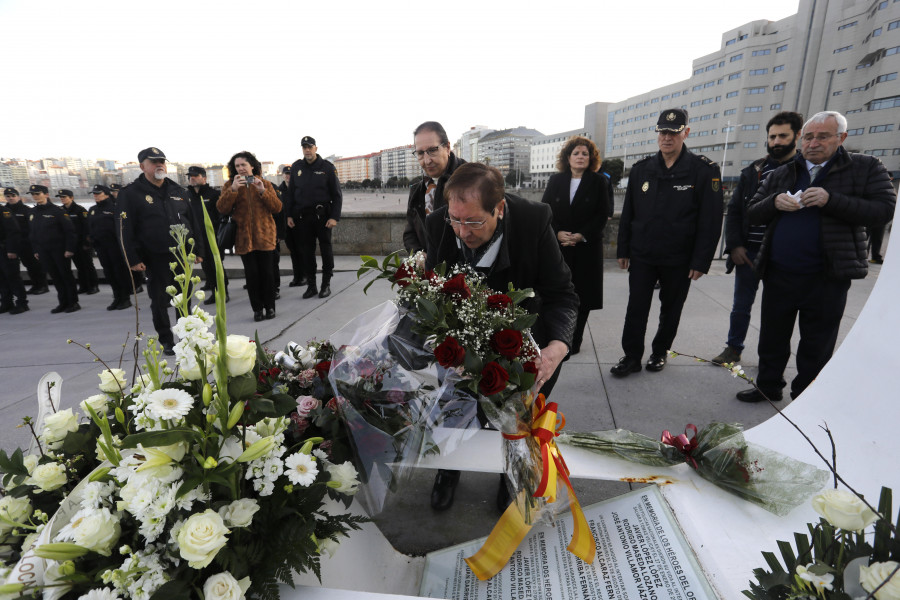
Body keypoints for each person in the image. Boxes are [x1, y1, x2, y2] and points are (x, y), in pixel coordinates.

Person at [424, 162, 579, 511]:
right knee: (453, 412)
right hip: (461, 345)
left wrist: (558, 346)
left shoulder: (533, 220)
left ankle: (508, 475)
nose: (462, 232)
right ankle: (449, 468)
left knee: (515, 421)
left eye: (474, 221)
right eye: (456, 219)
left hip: (523, 346)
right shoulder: (439, 225)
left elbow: (562, 294)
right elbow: (434, 294)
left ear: (500, 208)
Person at [737, 111, 896, 402]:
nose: (813, 143)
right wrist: (774, 202)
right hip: (779, 272)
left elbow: (884, 210)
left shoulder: (864, 167)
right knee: (772, 338)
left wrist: (831, 200)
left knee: (817, 343)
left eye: (823, 136)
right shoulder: (784, 171)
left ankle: (805, 397)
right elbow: (753, 211)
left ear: (841, 138)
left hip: (827, 276)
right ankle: (768, 386)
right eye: (809, 136)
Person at [612, 108, 723, 377]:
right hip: (643, 254)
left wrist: (701, 261)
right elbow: (629, 213)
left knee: (671, 309)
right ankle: (631, 357)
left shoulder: (703, 170)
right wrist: (623, 248)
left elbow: (710, 220)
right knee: (636, 308)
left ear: (686, 133)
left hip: (679, 258)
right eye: (662, 132)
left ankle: (660, 352)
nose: (667, 137)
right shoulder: (642, 170)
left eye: (673, 132)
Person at [712, 111, 804, 366]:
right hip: (749, 251)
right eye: (772, 136)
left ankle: (770, 360)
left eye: (782, 136)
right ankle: (733, 348)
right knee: (740, 306)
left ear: (797, 136)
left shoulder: (804, 171)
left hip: (782, 253)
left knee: (778, 311)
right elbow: (736, 211)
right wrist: (735, 246)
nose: (776, 141)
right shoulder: (754, 171)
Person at [118, 147, 204, 355]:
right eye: (154, 162)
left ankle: (187, 336)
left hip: (181, 254)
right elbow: (124, 229)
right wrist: (132, 258)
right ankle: (166, 339)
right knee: (159, 301)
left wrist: (199, 250)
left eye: (162, 161)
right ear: (142, 166)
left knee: (184, 298)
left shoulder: (178, 191)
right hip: (153, 256)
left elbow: (193, 221)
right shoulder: (130, 194)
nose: (159, 165)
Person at [541, 136, 610, 355]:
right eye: (576, 153)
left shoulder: (599, 182)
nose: (580, 157)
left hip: (586, 249)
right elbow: (545, 210)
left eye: (585, 154)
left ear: (591, 158)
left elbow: (603, 214)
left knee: (583, 297)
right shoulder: (556, 181)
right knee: (555, 293)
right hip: (559, 247)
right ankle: (555, 336)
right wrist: (558, 232)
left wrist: (581, 235)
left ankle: (574, 340)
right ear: (568, 157)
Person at [217, 151, 282, 322]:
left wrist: (262, 191)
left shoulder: (265, 183)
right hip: (243, 239)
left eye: (243, 165)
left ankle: (270, 307)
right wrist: (232, 190)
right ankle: (257, 309)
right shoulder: (230, 185)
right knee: (252, 276)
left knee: (267, 274)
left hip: (265, 236)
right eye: (237, 166)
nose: (241, 168)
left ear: (252, 165)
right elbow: (221, 209)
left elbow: (277, 208)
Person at [285, 136, 342, 299]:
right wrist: (289, 214)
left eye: (310, 147)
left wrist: (334, 217)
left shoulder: (327, 168)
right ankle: (312, 286)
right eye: (304, 147)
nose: (307, 150)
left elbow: (337, 195)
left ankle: (326, 284)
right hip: (303, 218)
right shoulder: (296, 167)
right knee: (306, 253)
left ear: (316, 148)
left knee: (326, 251)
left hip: (323, 218)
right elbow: (290, 194)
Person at [404, 121, 466, 254]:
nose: (427, 160)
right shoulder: (416, 188)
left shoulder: (471, 178)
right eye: (420, 153)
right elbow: (409, 233)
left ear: (447, 147)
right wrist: (418, 255)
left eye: (432, 150)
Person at [28, 185, 79, 313]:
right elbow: (33, 234)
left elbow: (70, 231)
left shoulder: (57, 211)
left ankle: (73, 302)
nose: (35, 196)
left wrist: (69, 249)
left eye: (38, 193)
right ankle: (62, 302)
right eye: (33, 194)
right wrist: (35, 250)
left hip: (59, 250)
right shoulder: (33, 212)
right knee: (55, 277)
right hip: (44, 251)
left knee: (65, 276)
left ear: (46, 194)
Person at [87, 185, 132, 310]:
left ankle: (125, 298)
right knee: (109, 273)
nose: (95, 195)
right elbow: (90, 227)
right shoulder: (92, 210)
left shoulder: (115, 208)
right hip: (101, 247)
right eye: (94, 193)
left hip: (115, 247)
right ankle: (117, 298)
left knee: (119, 273)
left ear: (106, 194)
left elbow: (123, 228)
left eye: (98, 193)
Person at [187, 166, 228, 304]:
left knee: (216, 264)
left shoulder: (213, 194)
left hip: (212, 236)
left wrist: (217, 232)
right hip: (197, 238)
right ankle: (212, 285)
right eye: (190, 176)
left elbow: (221, 215)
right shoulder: (187, 196)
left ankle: (223, 292)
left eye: (195, 175)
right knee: (205, 264)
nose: (192, 178)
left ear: (204, 178)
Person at [3, 187, 49, 295]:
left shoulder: (27, 210)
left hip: (26, 243)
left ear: (18, 197)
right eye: (8, 196)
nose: (11, 198)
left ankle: (42, 285)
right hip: (11, 244)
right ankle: (34, 285)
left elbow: (33, 228)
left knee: (33, 265)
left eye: (13, 196)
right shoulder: (4, 211)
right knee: (15, 268)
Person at [56, 189, 99, 295]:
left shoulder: (80, 210)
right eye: (61, 197)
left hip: (82, 243)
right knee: (79, 266)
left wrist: (87, 243)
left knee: (88, 265)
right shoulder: (60, 210)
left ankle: (93, 286)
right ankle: (84, 285)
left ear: (71, 198)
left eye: (64, 197)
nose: (62, 199)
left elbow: (87, 227)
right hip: (70, 244)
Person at [278, 165, 306, 287]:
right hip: (286, 226)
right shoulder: (279, 190)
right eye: (286, 174)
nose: (288, 176)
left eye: (290, 173)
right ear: (282, 175)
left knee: (301, 250)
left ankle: (304, 276)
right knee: (293, 251)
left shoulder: (299, 188)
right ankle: (296, 276)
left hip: (299, 224)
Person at [0, 201, 28, 314]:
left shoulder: (4, 212)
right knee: (1, 278)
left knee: (12, 276)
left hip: (5, 250)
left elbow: (14, 232)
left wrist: (11, 250)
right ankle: (6, 302)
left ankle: (22, 303)